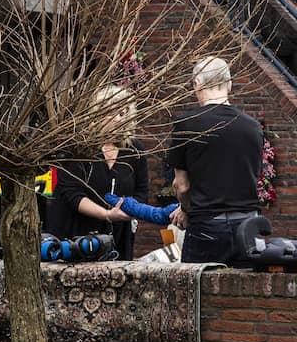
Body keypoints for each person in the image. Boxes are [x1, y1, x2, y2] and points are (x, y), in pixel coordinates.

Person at [168, 57, 263, 264]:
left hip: (207, 225)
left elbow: (181, 186)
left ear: (197, 84)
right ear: (229, 84)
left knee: (197, 291)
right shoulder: (253, 127)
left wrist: (185, 210)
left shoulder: (186, 124)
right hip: (249, 224)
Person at [45, 85, 147, 260]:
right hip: (75, 236)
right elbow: (72, 193)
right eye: (111, 113)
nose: (117, 119)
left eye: (123, 114)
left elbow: (142, 192)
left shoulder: (134, 150)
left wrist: (129, 209)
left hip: (117, 238)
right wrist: (107, 215)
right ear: (97, 114)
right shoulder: (78, 147)